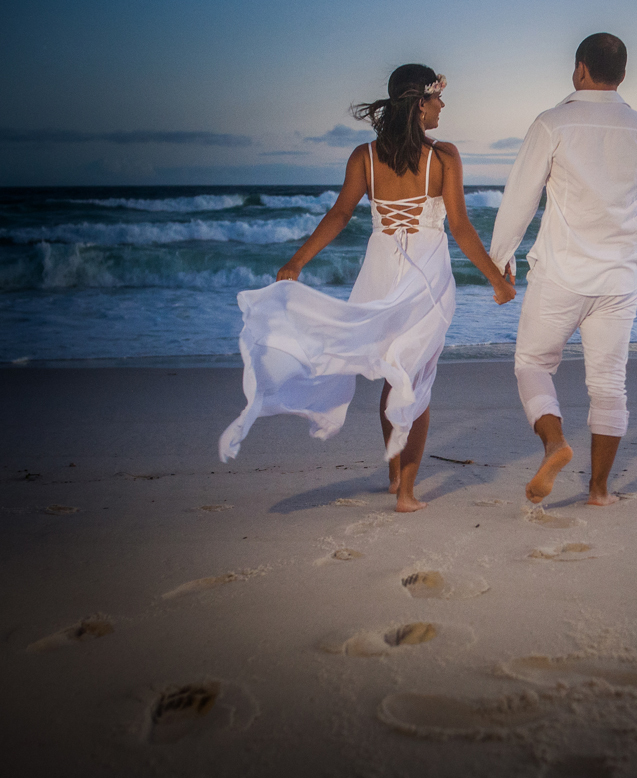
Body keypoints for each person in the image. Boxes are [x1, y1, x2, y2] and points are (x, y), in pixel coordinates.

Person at [219, 64, 516, 512]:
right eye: (436, 97)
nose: (442, 105)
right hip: (425, 279)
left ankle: (395, 475)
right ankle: (407, 494)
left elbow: (339, 214)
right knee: (414, 378)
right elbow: (459, 227)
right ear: (419, 104)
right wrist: (497, 280)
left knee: (392, 372)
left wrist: (297, 262)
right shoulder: (445, 157)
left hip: (379, 275)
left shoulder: (364, 156)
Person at [489, 33, 637, 506]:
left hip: (561, 275)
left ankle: (555, 444)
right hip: (618, 279)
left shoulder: (553, 123)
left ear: (579, 69)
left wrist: (499, 258)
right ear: (623, 75)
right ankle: (598, 491)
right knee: (609, 384)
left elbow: (520, 198)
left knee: (532, 363)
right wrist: (614, 196)